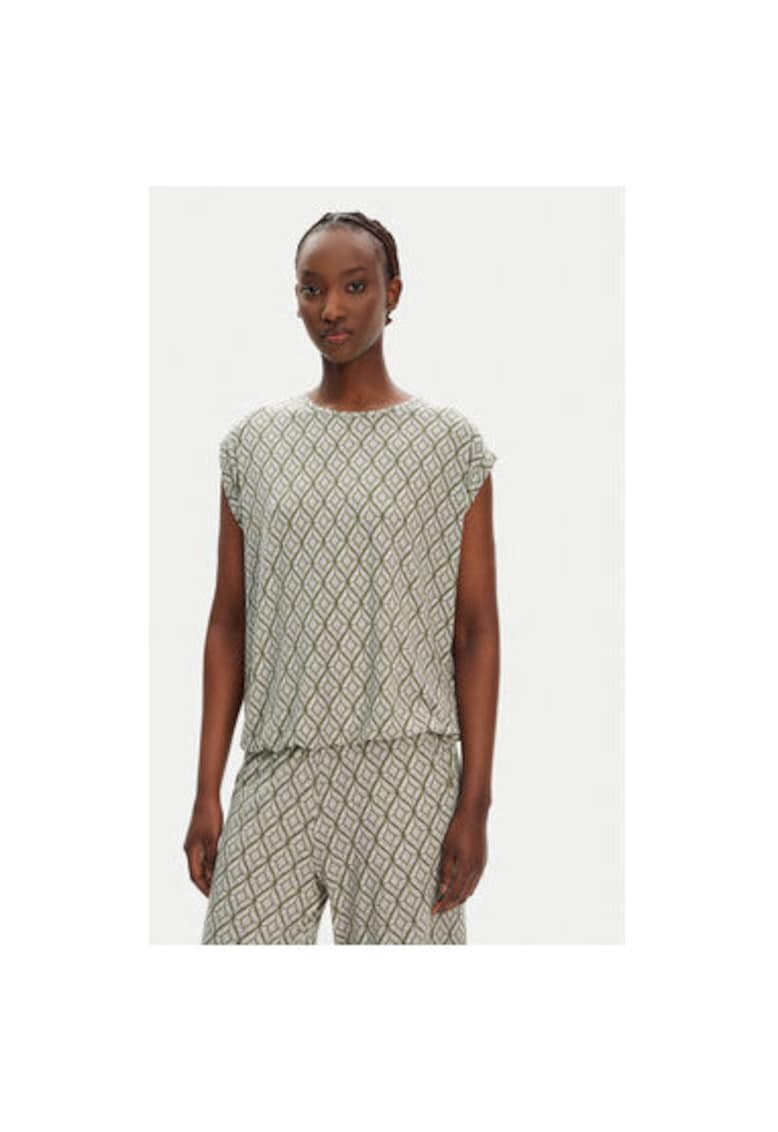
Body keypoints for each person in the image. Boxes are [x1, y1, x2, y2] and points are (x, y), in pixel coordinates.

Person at [183, 210, 499, 944]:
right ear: (295, 299)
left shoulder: (449, 446)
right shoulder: (253, 446)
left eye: (355, 286)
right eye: (312, 288)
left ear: (393, 293)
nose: (331, 307)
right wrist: (206, 790)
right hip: (278, 765)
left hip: (405, 772)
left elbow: (474, 630)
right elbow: (229, 622)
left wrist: (474, 803)